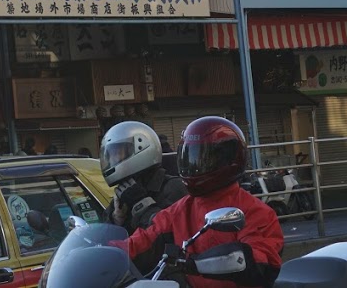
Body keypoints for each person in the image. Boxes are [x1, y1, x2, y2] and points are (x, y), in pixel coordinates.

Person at [128, 116, 282, 287]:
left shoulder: (255, 212)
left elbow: (260, 260)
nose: (194, 165)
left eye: (204, 159)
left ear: (228, 158)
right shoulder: (181, 209)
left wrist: (197, 264)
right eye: (190, 156)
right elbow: (144, 239)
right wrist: (104, 251)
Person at [99, 121, 186, 233]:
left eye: (117, 153)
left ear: (141, 146)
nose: (112, 160)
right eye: (110, 155)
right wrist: (116, 219)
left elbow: (172, 232)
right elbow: (107, 242)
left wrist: (142, 204)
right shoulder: (125, 192)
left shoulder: (174, 188)